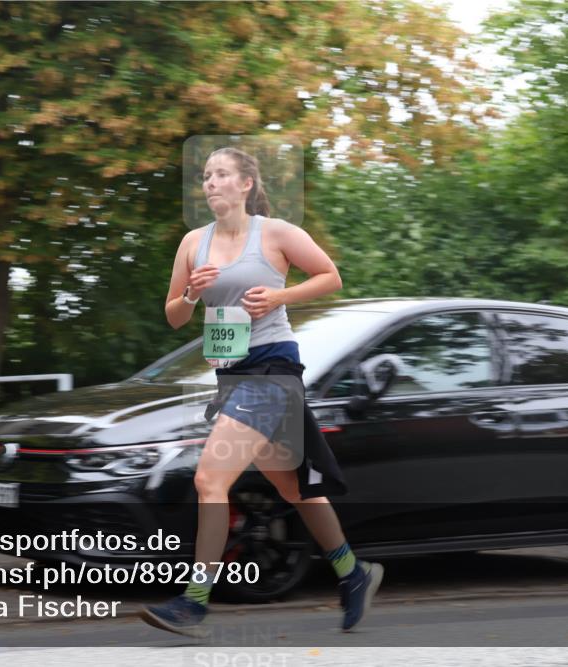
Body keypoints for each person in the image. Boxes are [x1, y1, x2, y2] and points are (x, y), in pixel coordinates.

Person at [139, 147, 384, 638]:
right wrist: (190, 294)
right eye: (206, 176)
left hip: (272, 370)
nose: (210, 183)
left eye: (221, 174)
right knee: (293, 489)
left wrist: (279, 295)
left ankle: (195, 602)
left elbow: (330, 276)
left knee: (210, 480)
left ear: (245, 183)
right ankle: (352, 572)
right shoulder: (193, 243)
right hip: (232, 375)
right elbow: (173, 316)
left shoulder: (274, 233)